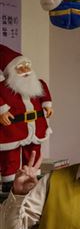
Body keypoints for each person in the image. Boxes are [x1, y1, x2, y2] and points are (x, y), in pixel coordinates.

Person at [0, 45, 53, 192]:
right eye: (20, 68)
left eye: (26, 66)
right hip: (14, 127)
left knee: (34, 150)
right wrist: (2, 111)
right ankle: (9, 180)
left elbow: (44, 94)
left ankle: (33, 175)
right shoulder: (3, 87)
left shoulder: (37, 83)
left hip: (36, 125)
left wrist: (47, 105)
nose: (25, 70)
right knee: (11, 154)